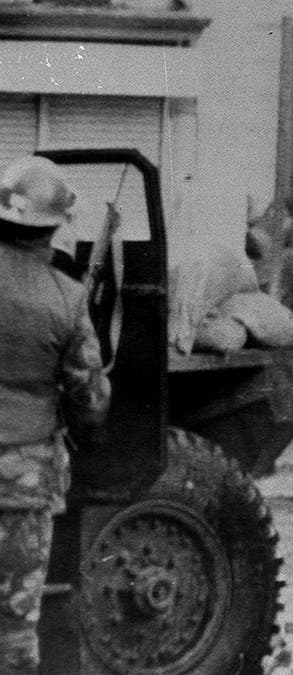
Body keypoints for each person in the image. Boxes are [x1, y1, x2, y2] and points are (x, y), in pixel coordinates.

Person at [0, 156, 110, 672]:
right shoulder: (66, 299)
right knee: (16, 626)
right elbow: (91, 402)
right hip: (23, 481)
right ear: (56, 227)